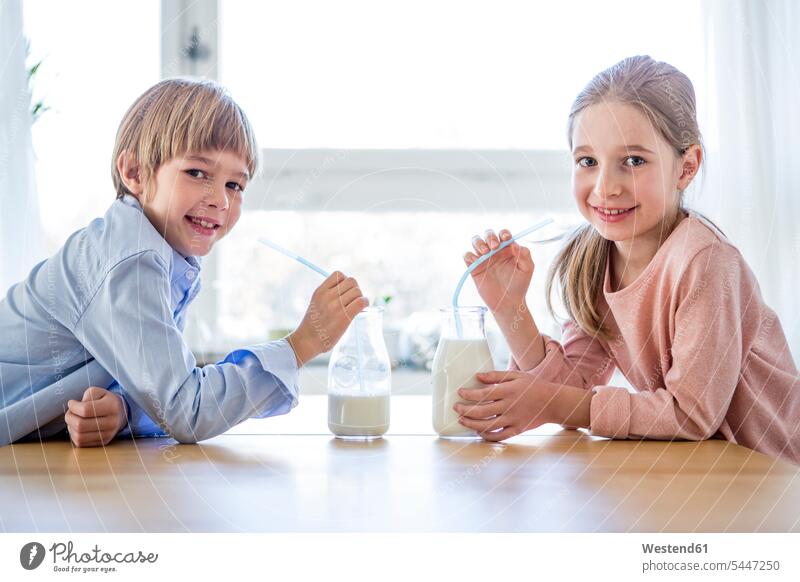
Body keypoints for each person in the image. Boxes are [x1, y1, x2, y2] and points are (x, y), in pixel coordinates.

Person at [458, 55, 799, 465]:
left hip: (776, 478)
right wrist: (511, 308)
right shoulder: (592, 259)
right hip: (703, 474)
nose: (605, 187)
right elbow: (575, 385)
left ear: (686, 167)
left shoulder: (705, 263)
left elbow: (691, 414)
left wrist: (555, 403)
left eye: (634, 161)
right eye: (588, 161)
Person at [0, 78, 368, 447]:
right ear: (135, 173)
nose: (220, 201)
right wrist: (303, 343)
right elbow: (185, 408)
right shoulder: (131, 260)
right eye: (197, 173)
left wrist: (125, 410)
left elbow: (163, 391)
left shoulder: (161, 255)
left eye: (234, 186)